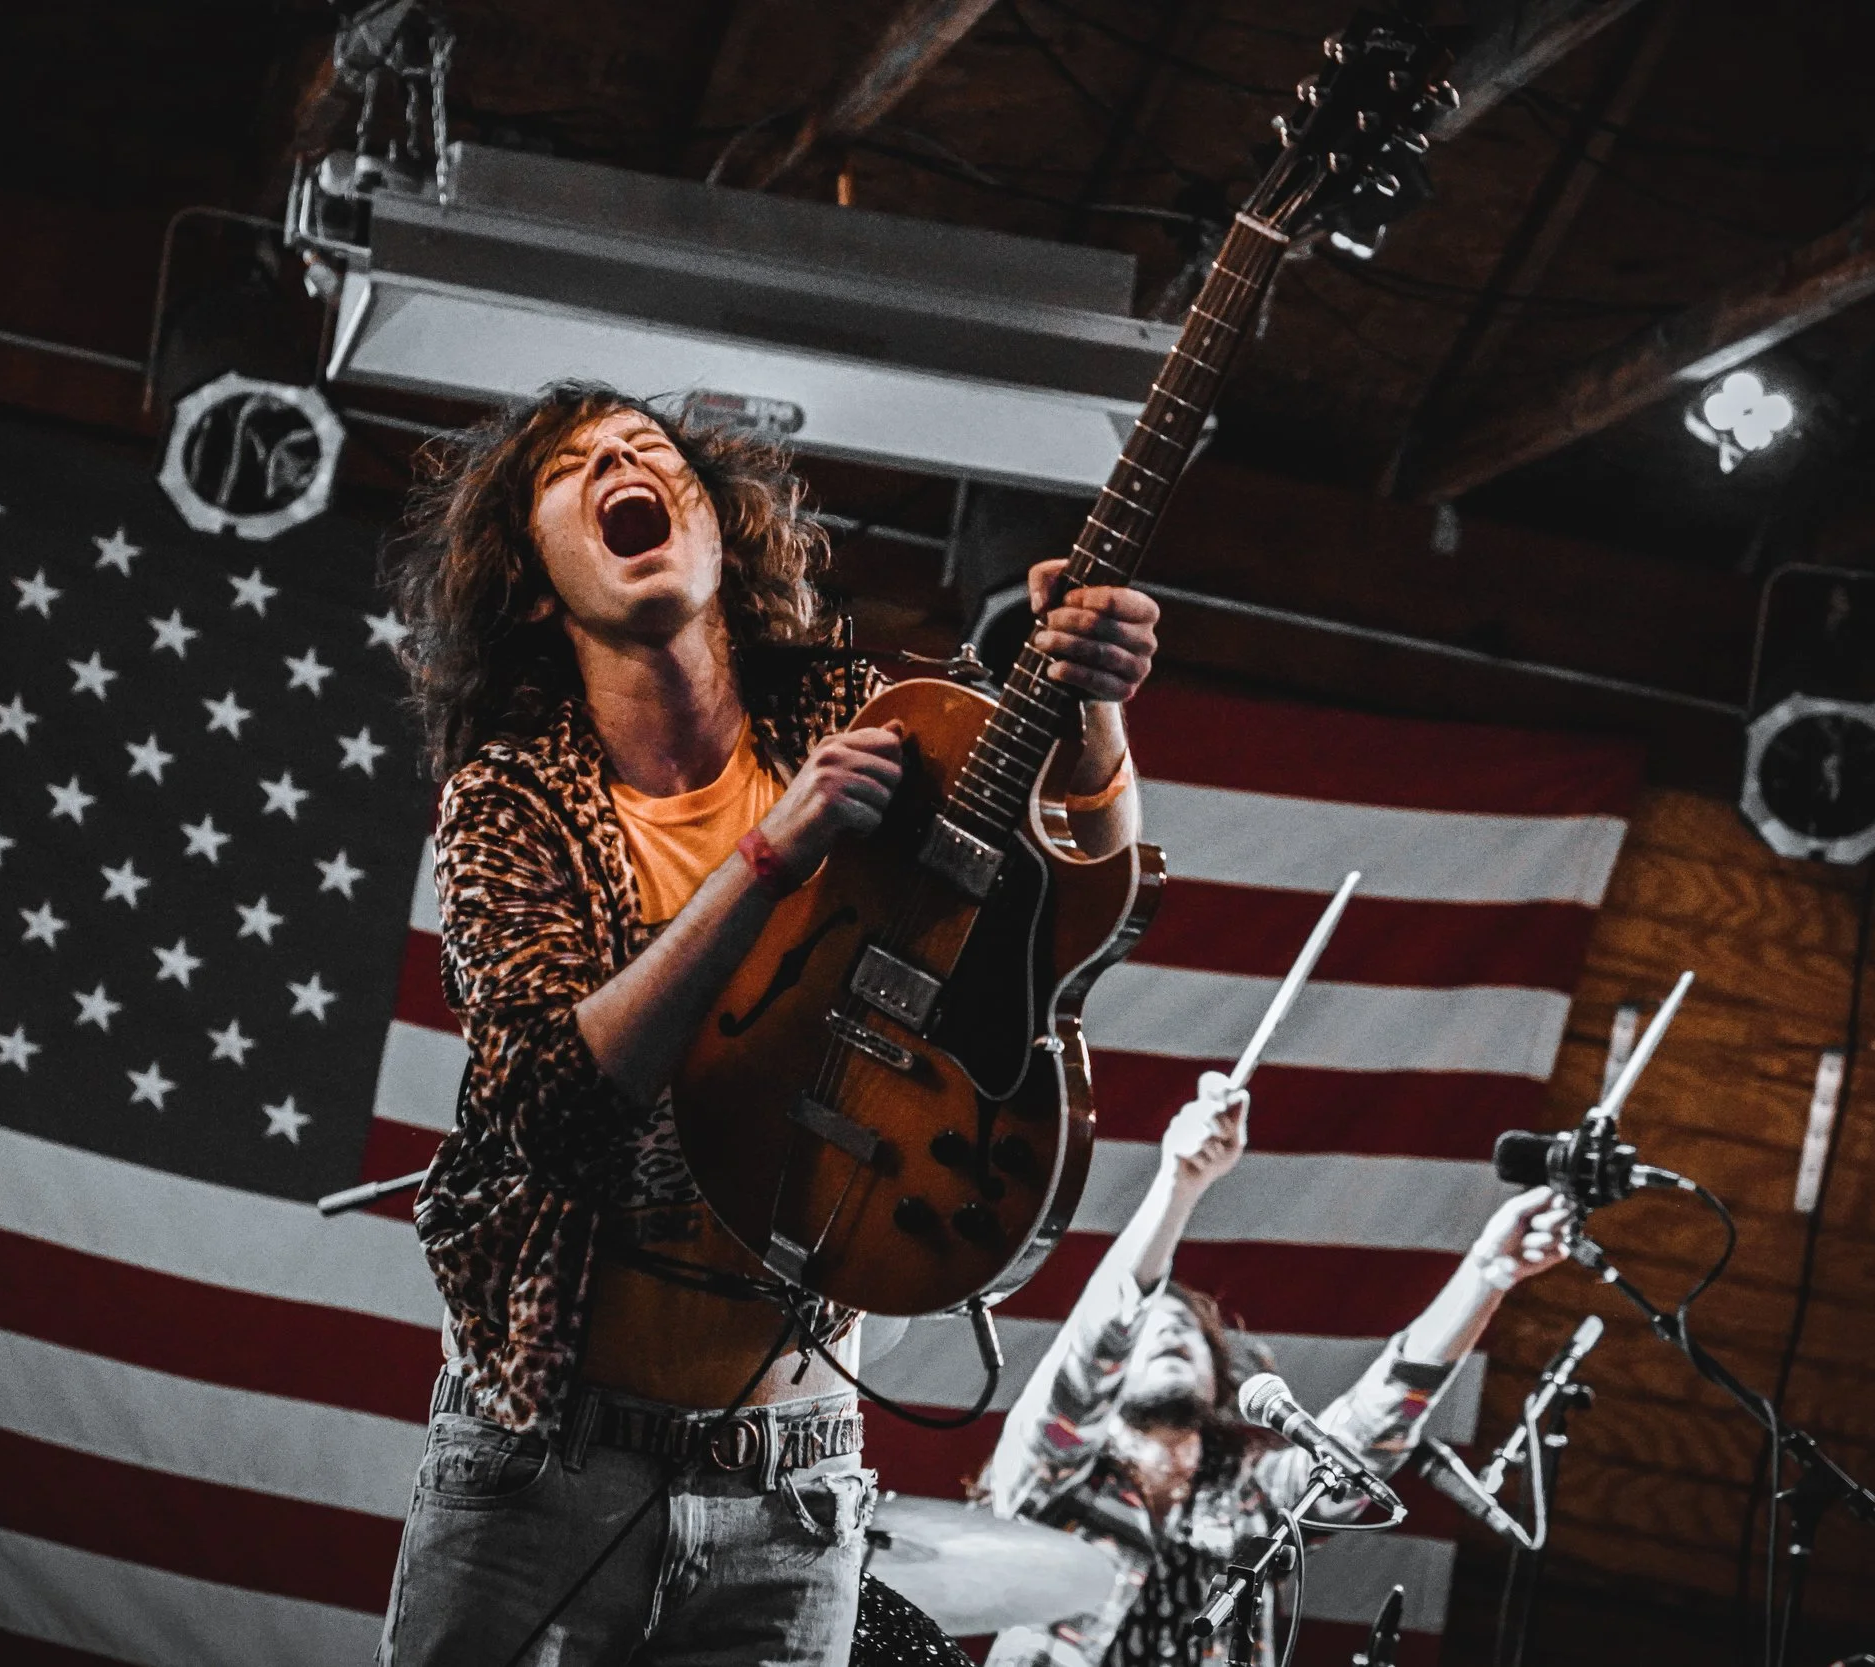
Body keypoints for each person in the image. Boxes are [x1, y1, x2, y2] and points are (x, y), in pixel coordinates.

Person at [376, 380, 1163, 1667]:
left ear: (719, 530)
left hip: (791, 1490)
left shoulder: (857, 715)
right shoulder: (510, 799)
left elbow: (1077, 899)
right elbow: (555, 1107)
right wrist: (767, 853)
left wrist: (1093, 722)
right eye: (573, 467)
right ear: (533, 585)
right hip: (544, 1465)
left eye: (648, 448)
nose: (621, 456)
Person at [979, 1074, 1572, 1666]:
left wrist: (1487, 1273)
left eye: (1187, 1331)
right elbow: (1091, 1353)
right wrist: (1178, 1184)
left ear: (1217, 1381)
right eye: (1151, 1330)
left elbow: (1373, 1430)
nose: (1170, 1335)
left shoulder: (1255, 1499)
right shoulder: (1050, 1476)